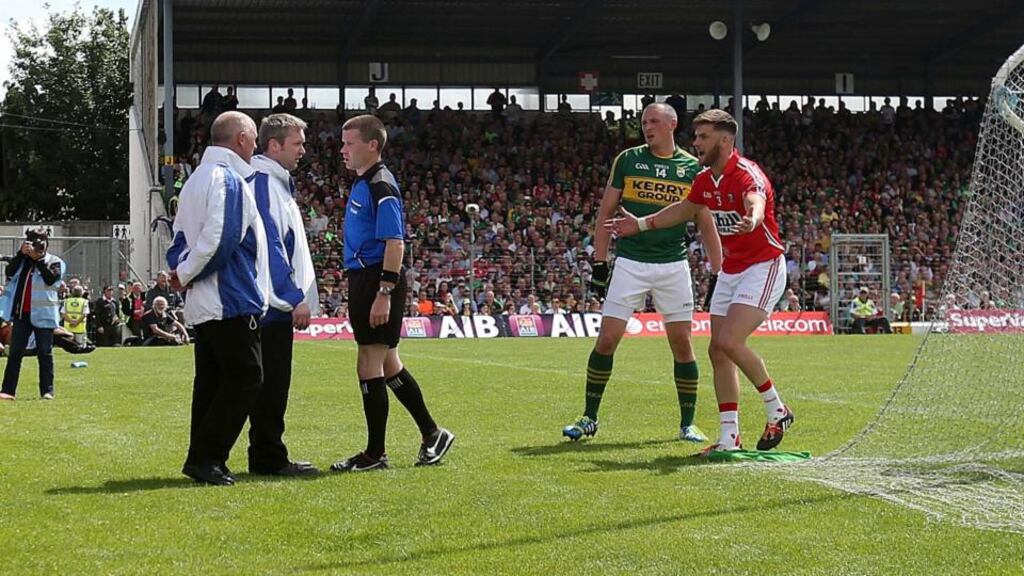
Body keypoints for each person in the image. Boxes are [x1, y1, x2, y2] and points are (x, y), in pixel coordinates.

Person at [608, 109, 793, 453]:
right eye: (695, 137)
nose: (696, 143)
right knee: (717, 350)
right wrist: (642, 224)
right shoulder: (706, 179)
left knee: (730, 342)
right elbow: (681, 210)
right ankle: (729, 438)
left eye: (703, 137)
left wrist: (752, 219)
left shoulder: (746, 173)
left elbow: (757, 199)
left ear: (724, 140)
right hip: (732, 271)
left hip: (762, 266)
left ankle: (777, 409)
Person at [562, 103, 722, 443]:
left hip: (673, 265)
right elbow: (606, 211)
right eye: (643, 121)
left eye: (653, 121)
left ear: (671, 124)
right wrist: (600, 262)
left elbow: (705, 224)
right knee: (606, 341)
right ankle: (589, 417)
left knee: (682, 344)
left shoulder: (692, 168)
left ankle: (687, 423)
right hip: (631, 263)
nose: (646, 127)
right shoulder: (628, 160)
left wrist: (719, 271)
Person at [331, 114, 454, 472]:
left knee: (368, 361)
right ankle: (433, 434)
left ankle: (375, 454)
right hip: (366, 277)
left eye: (349, 143)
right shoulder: (364, 182)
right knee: (388, 364)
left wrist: (384, 290)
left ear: (372, 146)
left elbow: (395, 242)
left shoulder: (381, 185)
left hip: (376, 279)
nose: (343, 150)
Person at [166, 111, 270, 486]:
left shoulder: (195, 180)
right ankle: (208, 456)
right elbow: (220, 241)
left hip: (203, 301)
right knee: (246, 376)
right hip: (229, 298)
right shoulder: (228, 179)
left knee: (211, 381)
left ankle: (203, 458)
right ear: (241, 138)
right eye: (254, 138)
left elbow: (179, 239)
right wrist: (186, 273)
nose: (255, 146)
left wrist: (180, 271)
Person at [248, 113, 321, 477]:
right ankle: (268, 457)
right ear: (273, 145)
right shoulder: (264, 182)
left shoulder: (276, 182)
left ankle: (267, 453)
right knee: (272, 384)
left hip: (272, 302)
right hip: (271, 305)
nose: (303, 151)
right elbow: (271, 245)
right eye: (297, 143)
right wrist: (293, 296)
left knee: (272, 382)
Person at [0, 228, 66, 401]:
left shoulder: (55, 261)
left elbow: (51, 280)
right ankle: (8, 390)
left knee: (45, 353)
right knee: (15, 353)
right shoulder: (22, 261)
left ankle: (47, 391)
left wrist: (39, 260)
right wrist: (21, 255)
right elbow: (10, 272)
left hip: (44, 315)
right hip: (22, 313)